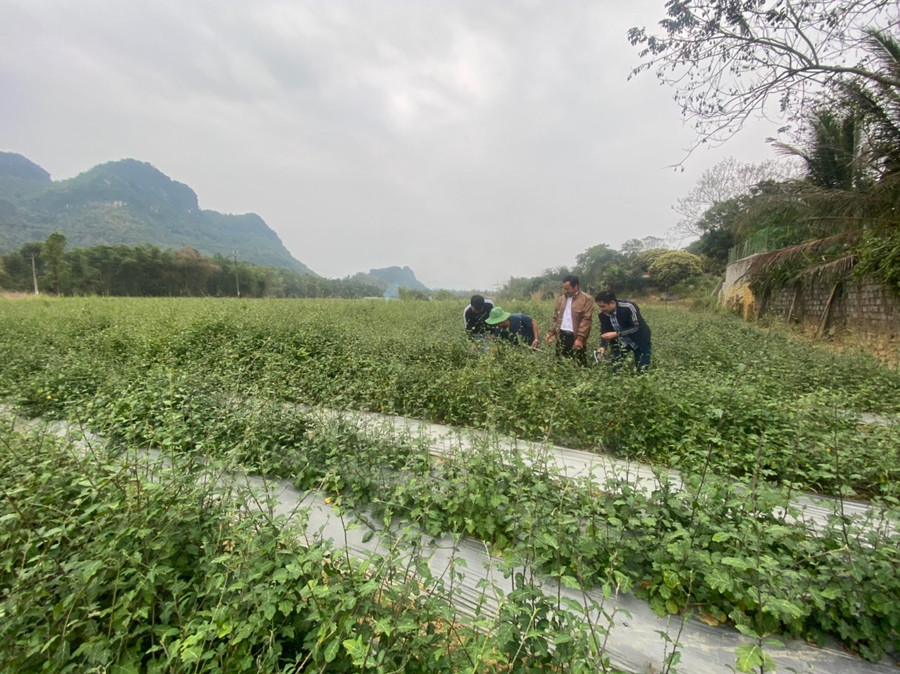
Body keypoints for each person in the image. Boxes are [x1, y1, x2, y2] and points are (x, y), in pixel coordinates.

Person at [594, 290, 652, 373]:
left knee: (642, 369)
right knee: (615, 367)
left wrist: (617, 334)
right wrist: (603, 346)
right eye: (599, 306)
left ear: (612, 303)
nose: (601, 309)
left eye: (603, 306)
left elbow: (636, 327)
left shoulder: (628, 307)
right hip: (621, 342)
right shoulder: (602, 314)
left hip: (640, 339)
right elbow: (605, 330)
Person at [545, 274, 593, 363]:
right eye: (564, 288)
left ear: (576, 286)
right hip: (562, 334)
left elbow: (586, 320)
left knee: (579, 363)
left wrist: (580, 339)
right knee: (560, 362)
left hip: (574, 336)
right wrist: (551, 332)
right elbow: (556, 317)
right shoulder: (561, 299)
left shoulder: (587, 299)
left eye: (568, 289)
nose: (565, 291)